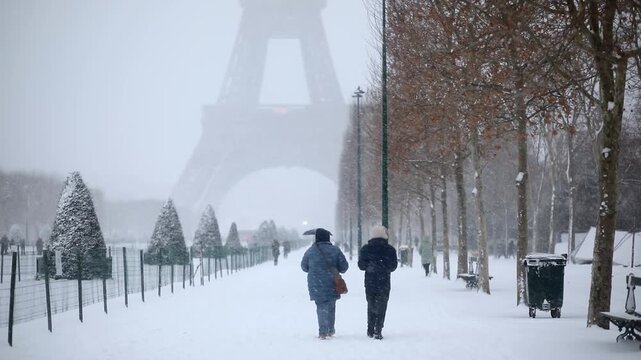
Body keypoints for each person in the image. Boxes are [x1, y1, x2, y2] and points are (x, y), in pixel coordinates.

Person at [301, 228, 349, 340]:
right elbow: (344, 267)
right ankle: (330, 329)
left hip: (316, 283)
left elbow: (304, 267)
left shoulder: (310, 251)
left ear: (316, 238)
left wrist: (315, 269)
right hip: (333, 282)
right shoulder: (335, 250)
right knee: (331, 305)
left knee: (321, 306)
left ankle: (323, 331)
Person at [358, 225, 398, 340]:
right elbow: (393, 266)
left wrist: (370, 266)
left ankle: (370, 328)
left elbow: (361, 266)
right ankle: (378, 329)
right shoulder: (390, 249)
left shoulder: (365, 249)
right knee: (382, 304)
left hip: (370, 281)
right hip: (384, 281)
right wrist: (383, 267)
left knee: (371, 304)